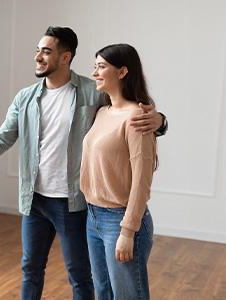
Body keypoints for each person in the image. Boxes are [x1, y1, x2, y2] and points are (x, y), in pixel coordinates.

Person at [0, 27, 167, 299]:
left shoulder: (92, 93)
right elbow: (2, 138)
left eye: (46, 51)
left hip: (72, 203)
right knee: (31, 269)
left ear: (65, 57)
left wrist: (160, 120)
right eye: (38, 50)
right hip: (35, 200)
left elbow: (129, 110)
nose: (38, 56)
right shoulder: (26, 98)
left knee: (81, 277)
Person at [80, 43, 158, 300]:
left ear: (123, 71)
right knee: (103, 293)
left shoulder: (137, 117)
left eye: (101, 67)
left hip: (120, 220)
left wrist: (127, 231)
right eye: (95, 67)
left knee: (127, 296)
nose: (95, 73)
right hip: (93, 216)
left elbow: (142, 181)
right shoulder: (103, 111)